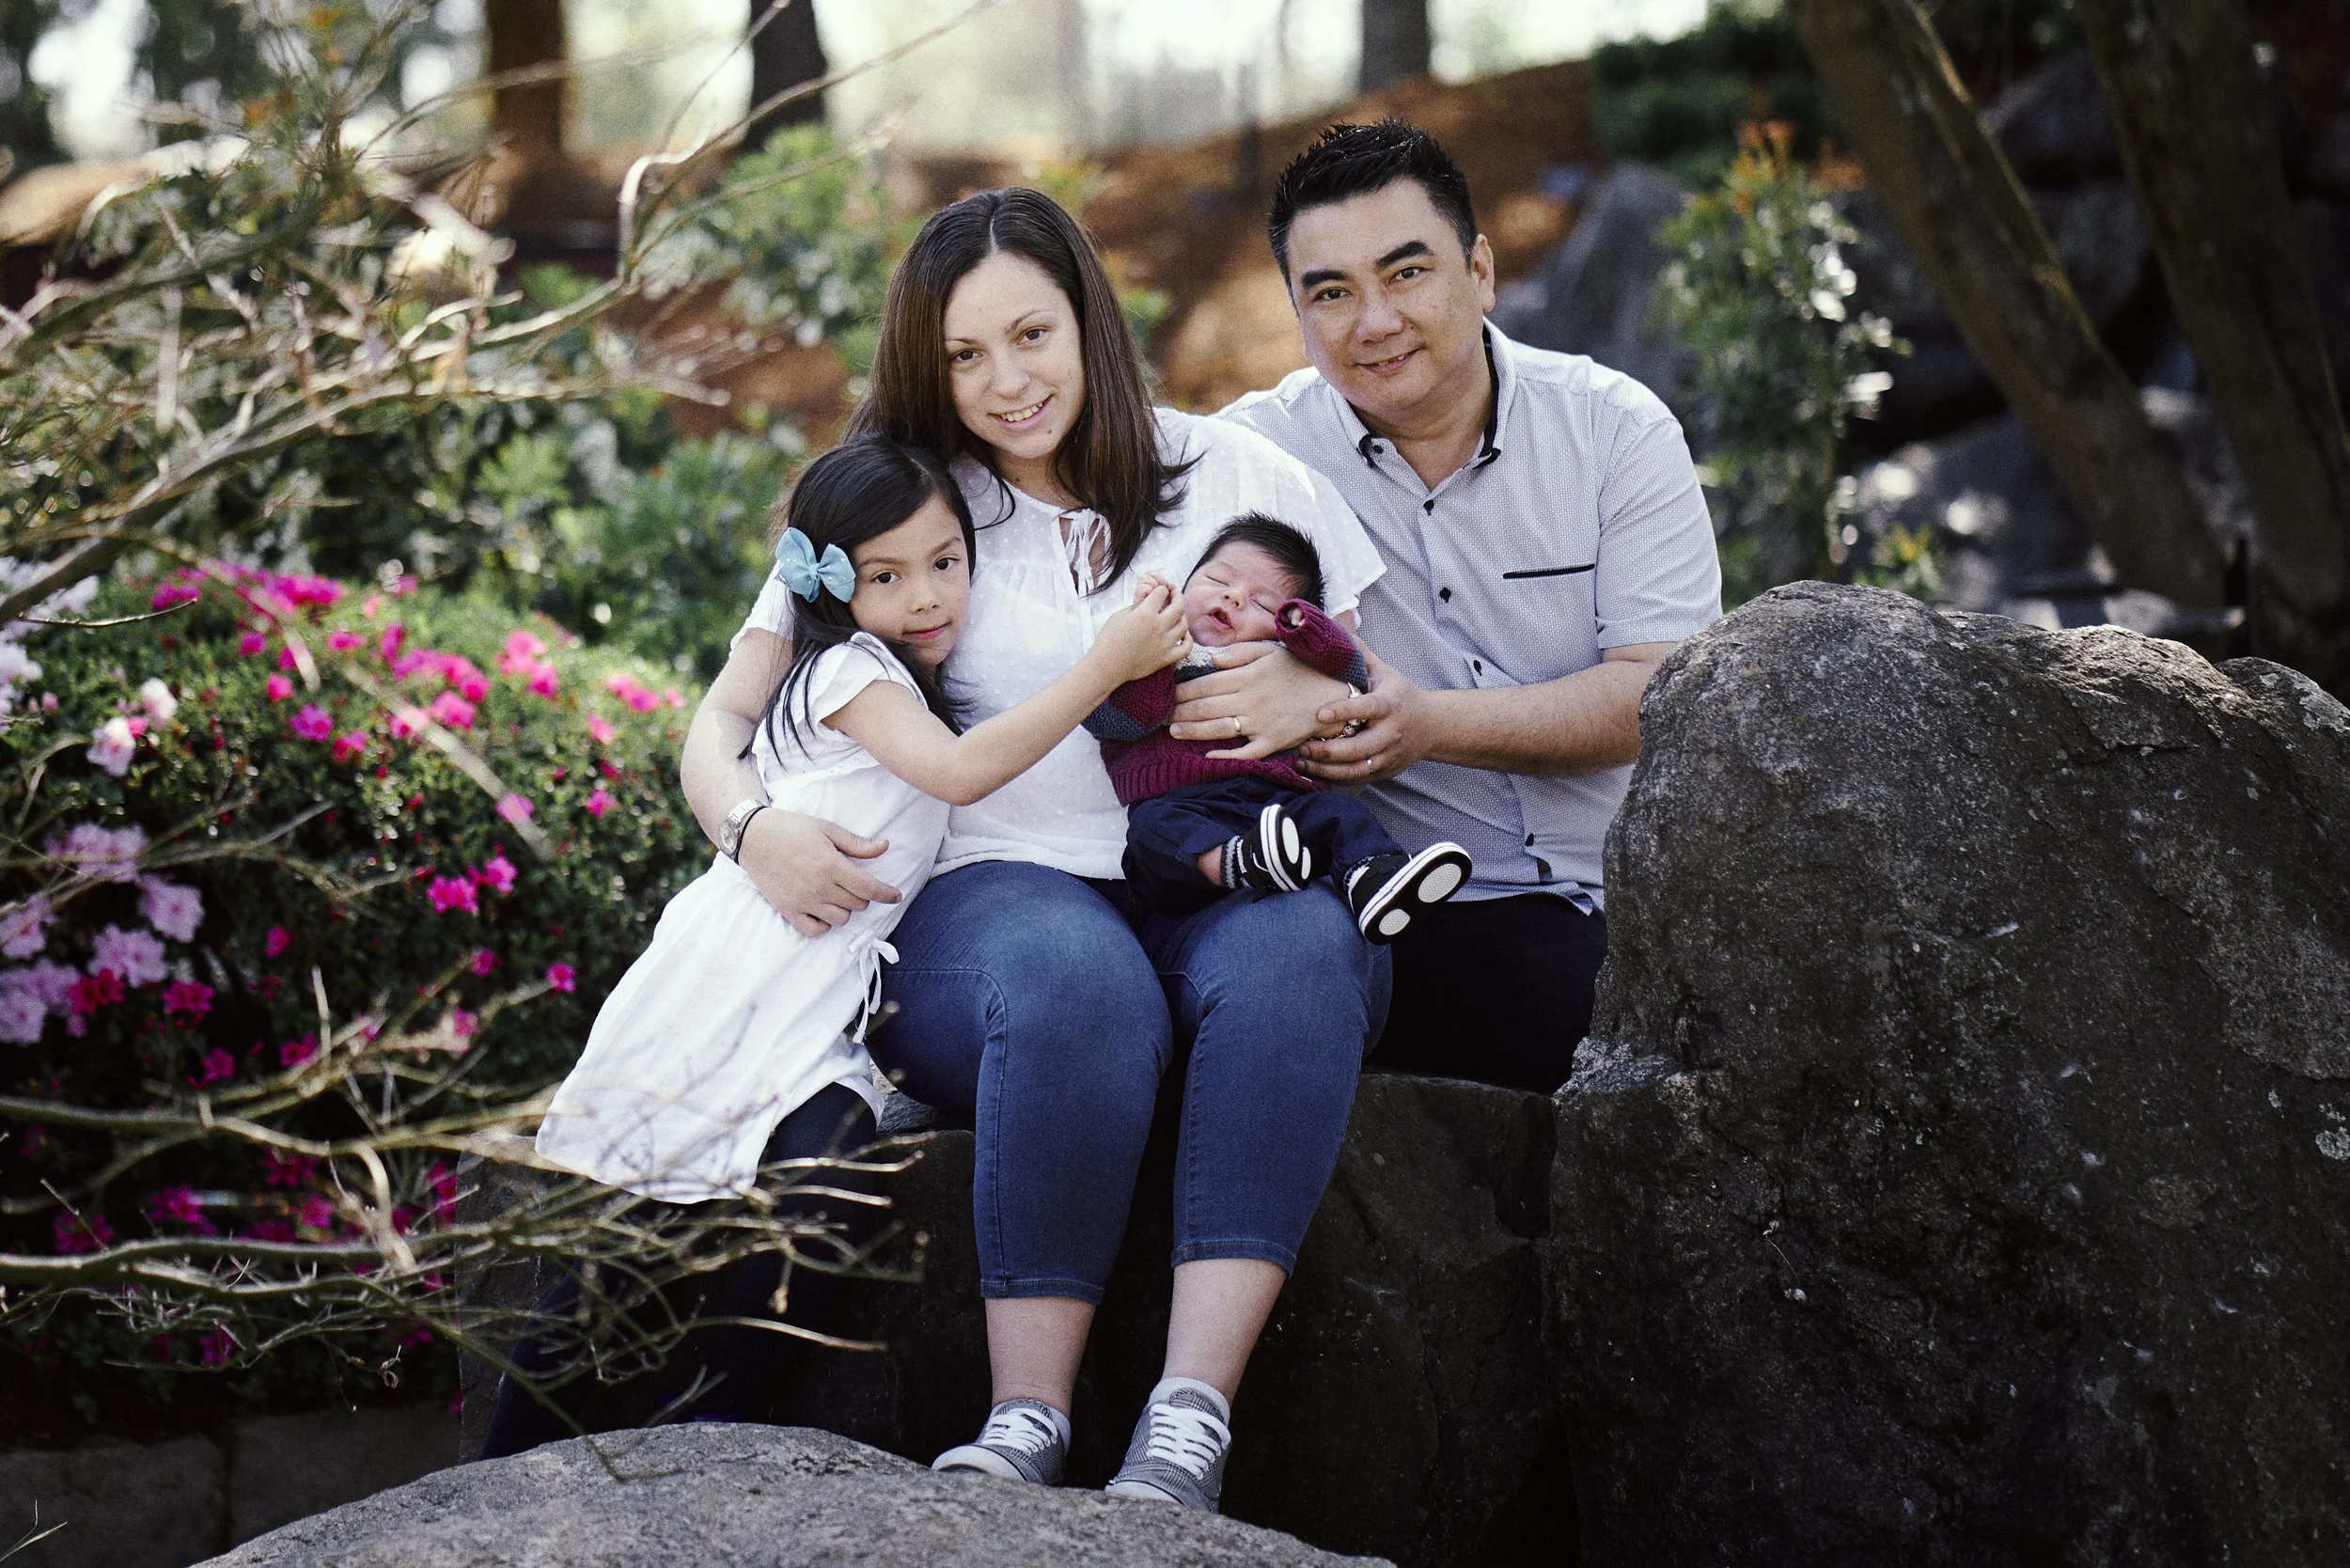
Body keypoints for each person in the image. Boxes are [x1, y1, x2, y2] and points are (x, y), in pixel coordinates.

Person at [680, 187, 1393, 1513]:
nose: (1006, 383)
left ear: (1090, 325)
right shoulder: (892, 506)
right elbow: (719, 722)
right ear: (926, 367)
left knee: (1304, 949)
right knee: (1076, 986)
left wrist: (1324, 704)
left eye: (1031, 335)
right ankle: (1027, 1423)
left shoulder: (1240, 477)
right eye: (964, 355)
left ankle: (1187, 1424)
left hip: (1222, 864)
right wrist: (753, 824)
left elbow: (1359, 686)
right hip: (989, 893)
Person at [486, 435, 1186, 1456]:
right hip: (747, 974)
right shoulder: (846, 670)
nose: (929, 597)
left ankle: (714, 1432)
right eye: (887, 576)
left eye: (947, 562)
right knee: (633, 1244)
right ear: (830, 584)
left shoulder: (889, 664)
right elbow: (956, 774)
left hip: (818, 993)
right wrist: (1105, 665)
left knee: (825, 1176)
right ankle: (504, 1474)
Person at [1215, 119, 1724, 1094]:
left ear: (1480, 273)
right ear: (1296, 311)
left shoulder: (1612, 432)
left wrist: (1426, 725)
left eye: (1406, 274)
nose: (1374, 322)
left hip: (1617, 898)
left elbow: (1656, 695)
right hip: (1394, 915)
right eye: (1330, 292)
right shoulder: (1252, 464)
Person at [1086, 513, 1472, 941]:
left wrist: (1303, 628)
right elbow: (1113, 723)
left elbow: (1349, 667)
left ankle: (1375, 879)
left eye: (1265, 605)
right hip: (1179, 803)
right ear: (1185, 580)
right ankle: (1238, 861)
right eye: (1218, 580)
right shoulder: (1147, 650)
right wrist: (1157, 648)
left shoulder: (1286, 660)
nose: (1233, 599)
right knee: (1153, 833)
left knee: (1340, 814)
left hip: (1273, 804)